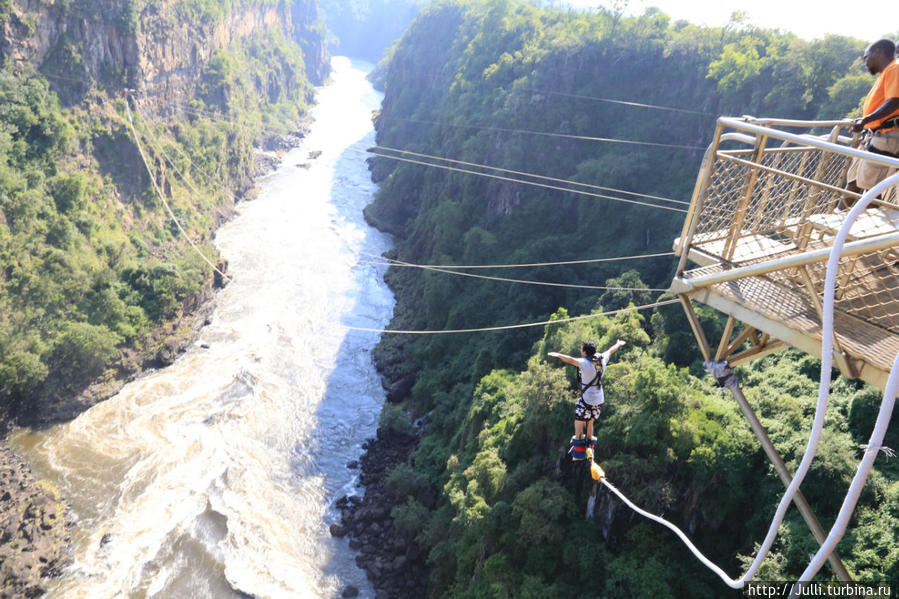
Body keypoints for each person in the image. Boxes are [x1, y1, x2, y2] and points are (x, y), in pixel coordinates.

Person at [841, 39, 899, 209]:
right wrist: (867, 127)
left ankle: (863, 230)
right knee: (855, 179)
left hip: (886, 136)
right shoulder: (887, 72)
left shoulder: (895, 68)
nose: (865, 62)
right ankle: (839, 215)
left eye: (867, 57)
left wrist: (865, 121)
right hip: (875, 135)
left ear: (879, 52)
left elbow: (895, 102)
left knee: (872, 187)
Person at [548, 339, 625, 453]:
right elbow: (610, 351)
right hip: (599, 399)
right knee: (590, 421)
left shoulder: (584, 363)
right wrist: (618, 344)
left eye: (581, 349)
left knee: (579, 419)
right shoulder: (601, 359)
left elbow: (570, 359)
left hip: (587, 399)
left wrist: (558, 355)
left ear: (584, 352)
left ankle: (578, 450)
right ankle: (590, 447)